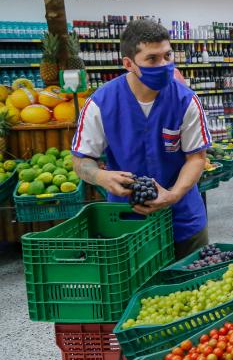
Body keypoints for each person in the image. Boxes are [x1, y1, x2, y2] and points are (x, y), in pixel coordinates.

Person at [72, 19, 211, 259]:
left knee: (194, 285)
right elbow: (81, 161)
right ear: (129, 63)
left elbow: (197, 158)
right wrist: (100, 176)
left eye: (168, 55)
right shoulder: (100, 103)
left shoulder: (185, 100)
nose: (164, 64)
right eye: (152, 59)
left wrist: (174, 194)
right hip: (126, 219)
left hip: (182, 217)